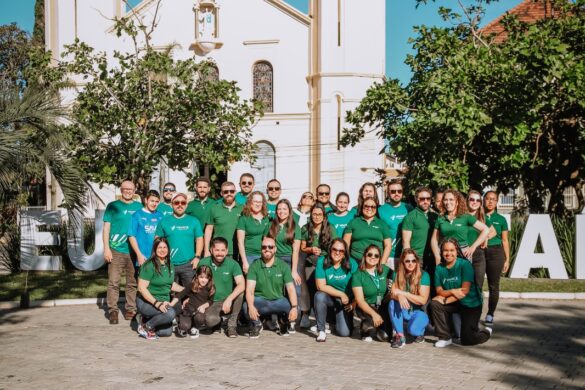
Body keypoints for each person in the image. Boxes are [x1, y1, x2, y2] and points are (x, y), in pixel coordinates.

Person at [430, 238, 492, 347]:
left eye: (451, 250)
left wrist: (445, 300)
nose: (448, 253)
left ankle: (485, 332)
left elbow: (464, 291)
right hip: (455, 302)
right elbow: (439, 291)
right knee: (435, 304)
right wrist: (453, 291)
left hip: (470, 304)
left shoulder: (464, 265)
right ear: (441, 252)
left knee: (467, 340)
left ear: (457, 251)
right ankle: (445, 337)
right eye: (445, 250)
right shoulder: (439, 268)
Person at [103, 180, 142, 324]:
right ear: (121, 190)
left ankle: (130, 309)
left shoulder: (139, 207)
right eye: (125, 189)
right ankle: (113, 310)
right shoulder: (113, 206)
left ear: (134, 190)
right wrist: (106, 248)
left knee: (132, 282)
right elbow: (106, 228)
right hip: (116, 250)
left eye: (130, 189)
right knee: (114, 282)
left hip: (133, 251)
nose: (127, 191)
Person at [245, 236, 298, 338]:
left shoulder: (283, 266)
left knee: (297, 310)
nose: (267, 249)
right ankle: (257, 324)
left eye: (270, 247)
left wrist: (294, 307)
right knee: (246, 307)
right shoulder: (254, 266)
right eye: (264, 247)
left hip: (279, 301)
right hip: (261, 301)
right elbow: (250, 290)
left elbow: (291, 289)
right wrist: (251, 307)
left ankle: (283, 322)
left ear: (275, 249)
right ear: (261, 249)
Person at [265, 199, 302, 332]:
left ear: (289, 211)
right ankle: (277, 320)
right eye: (279, 209)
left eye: (284, 209)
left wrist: (293, 271)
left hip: (290, 261)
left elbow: (296, 250)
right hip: (275, 261)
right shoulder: (271, 225)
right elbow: (267, 245)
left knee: (295, 290)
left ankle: (292, 320)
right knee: (277, 290)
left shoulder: (294, 226)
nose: (281, 211)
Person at [136, 237, 184, 339]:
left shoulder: (170, 264)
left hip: (163, 302)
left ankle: (146, 319)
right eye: (159, 247)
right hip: (146, 302)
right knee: (170, 313)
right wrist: (157, 303)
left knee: (166, 333)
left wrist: (187, 290)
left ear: (168, 249)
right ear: (154, 249)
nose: (162, 250)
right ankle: (146, 326)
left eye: (165, 247)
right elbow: (141, 288)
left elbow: (170, 284)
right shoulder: (148, 265)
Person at [198, 237, 246, 338]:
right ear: (211, 250)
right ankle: (219, 322)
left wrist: (229, 299)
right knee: (210, 321)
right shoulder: (203, 263)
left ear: (227, 251)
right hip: (211, 301)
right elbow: (196, 284)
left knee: (240, 293)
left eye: (223, 250)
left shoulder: (233, 264)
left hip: (227, 300)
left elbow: (242, 284)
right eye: (217, 250)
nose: (220, 253)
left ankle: (232, 325)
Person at [299, 204, 338, 328]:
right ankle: (305, 315)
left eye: (319, 214)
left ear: (324, 216)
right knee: (309, 290)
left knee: (323, 290)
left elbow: (335, 245)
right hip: (311, 263)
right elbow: (302, 247)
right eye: (314, 214)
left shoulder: (330, 228)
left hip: (326, 263)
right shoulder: (305, 228)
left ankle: (323, 319)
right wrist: (310, 249)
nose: (316, 217)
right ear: (311, 215)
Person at [155, 192, 204, 287]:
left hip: (189, 264)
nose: (180, 205)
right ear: (172, 204)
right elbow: (157, 241)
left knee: (191, 292)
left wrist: (197, 257)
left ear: (186, 205)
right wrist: (160, 259)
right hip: (168, 263)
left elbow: (199, 239)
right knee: (171, 293)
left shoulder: (194, 221)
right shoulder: (164, 221)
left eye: (183, 202)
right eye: (176, 203)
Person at [313, 239, 358, 342]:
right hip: (330, 297)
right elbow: (321, 286)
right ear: (330, 249)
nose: (337, 252)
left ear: (345, 252)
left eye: (341, 251)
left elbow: (359, 286)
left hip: (346, 301)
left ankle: (334, 320)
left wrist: (354, 302)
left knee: (344, 333)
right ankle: (321, 331)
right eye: (334, 249)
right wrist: (341, 294)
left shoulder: (352, 263)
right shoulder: (322, 261)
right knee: (319, 296)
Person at [430, 189, 490, 265]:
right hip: (446, 253)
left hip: (463, 253)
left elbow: (486, 230)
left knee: (464, 276)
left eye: (451, 199)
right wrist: (437, 256)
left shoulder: (465, 217)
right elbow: (434, 239)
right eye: (446, 200)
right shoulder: (440, 218)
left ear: (457, 202)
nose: (448, 202)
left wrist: (473, 247)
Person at [389, 249, 430, 348]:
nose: (411, 263)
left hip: (418, 312)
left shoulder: (424, 275)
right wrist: (399, 296)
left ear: (417, 261)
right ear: (403, 262)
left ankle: (420, 332)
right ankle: (400, 336)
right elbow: (392, 294)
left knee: (413, 331)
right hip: (404, 310)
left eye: (413, 261)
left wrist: (404, 293)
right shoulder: (396, 274)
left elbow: (422, 300)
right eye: (407, 261)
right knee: (392, 302)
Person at [351, 245, 393, 342]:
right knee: (371, 320)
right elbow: (360, 301)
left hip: (381, 305)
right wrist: (374, 314)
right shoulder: (358, 275)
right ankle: (365, 327)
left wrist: (393, 288)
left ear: (379, 258)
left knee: (385, 337)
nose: (373, 257)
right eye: (370, 254)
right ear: (365, 256)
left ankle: (378, 327)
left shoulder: (384, 270)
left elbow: (397, 277)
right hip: (366, 306)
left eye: (376, 255)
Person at [483, 190, 510, 326]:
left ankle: (490, 314)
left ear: (497, 201)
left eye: (493, 199)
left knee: (494, 286)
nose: (490, 201)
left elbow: (505, 241)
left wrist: (507, 259)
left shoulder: (501, 219)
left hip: (496, 253)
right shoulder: (478, 217)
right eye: (488, 198)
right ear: (484, 200)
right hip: (481, 252)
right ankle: (474, 313)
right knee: (476, 284)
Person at [343, 197, 392, 266]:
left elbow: (388, 245)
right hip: (356, 261)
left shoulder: (382, 224)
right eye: (366, 206)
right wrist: (347, 260)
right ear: (362, 207)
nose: (369, 208)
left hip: (376, 261)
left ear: (376, 208)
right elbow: (346, 244)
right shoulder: (353, 222)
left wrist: (382, 263)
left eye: (373, 206)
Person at [402, 186, 438, 276]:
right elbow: (406, 241)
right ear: (416, 199)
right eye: (422, 199)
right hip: (417, 257)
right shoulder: (410, 217)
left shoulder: (435, 216)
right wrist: (409, 259)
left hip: (433, 256)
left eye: (428, 198)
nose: (425, 201)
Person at [378, 179, 413, 268]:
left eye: (399, 191)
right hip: (389, 255)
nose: (396, 193)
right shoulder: (381, 210)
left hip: (406, 255)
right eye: (393, 191)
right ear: (388, 193)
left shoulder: (409, 208)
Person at [204, 181, 244, 258]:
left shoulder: (242, 208)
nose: (229, 194)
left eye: (232, 191)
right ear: (221, 193)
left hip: (237, 251)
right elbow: (209, 229)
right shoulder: (214, 208)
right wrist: (206, 250)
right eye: (226, 192)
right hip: (218, 252)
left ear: (235, 192)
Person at [176, 265, 215, 339]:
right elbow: (181, 294)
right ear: (197, 276)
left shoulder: (211, 287)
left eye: (206, 278)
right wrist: (171, 304)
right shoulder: (192, 285)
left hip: (199, 311)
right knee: (185, 326)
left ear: (209, 278)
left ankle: (195, 327)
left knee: (200, 318)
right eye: (201, 277)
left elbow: (211, 301)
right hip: (188, 310)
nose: (203, 280)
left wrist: (204, 306)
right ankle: (181, 325)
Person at [128, 190, 164, 269]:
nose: (154, 204)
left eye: (157, 202)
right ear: (146, 200)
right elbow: (131, 236)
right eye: (152, 201)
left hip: (159, 257)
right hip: (143, 257)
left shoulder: (160, 215)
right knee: (143, 281)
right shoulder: (137, 215)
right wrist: (139, 254)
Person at [237, 191, 271, 274]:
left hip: (262, 255)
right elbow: (240, 242)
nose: (258, 204)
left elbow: (266, 239)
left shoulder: (266, 218)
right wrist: (245, 262)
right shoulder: (244, 218)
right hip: (249, 256)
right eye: (255, 201)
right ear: (250, 202)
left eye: (260, 202)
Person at [466, 190, 491, 289]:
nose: (475, 202)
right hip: (463, 254)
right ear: (467, 200)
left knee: (477, 285)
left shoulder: (483, 218)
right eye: (472, 199)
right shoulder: (461, 216)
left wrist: (486, 238)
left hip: (478, 255)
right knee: (463, 286)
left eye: (478, 200)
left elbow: (491, 231)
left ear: (480, 203)